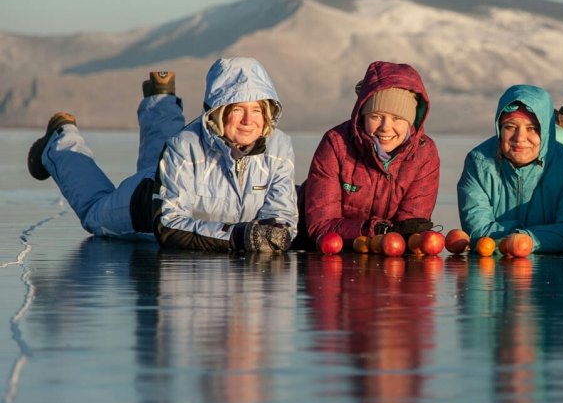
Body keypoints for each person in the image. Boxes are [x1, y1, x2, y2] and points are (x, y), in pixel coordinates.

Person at [27, 57, 297, 253]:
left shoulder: (280, 147)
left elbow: (282, 211)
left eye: (258, 110)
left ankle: (161, 98)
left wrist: (276, 230)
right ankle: (60, 143)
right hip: (145, 203)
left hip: (173, 167)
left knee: (167, 148)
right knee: (94, 212)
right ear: (218, 112)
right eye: (238, 109)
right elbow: (169, 223)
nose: (249, 120)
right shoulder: (185, 147)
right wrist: (239, 236)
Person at [295, 60, 440, 249]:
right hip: (321, 253)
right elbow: (321, 225)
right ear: (362, 115)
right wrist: (378, 230)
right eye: (376, 116)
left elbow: (409, 229)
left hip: (389, 256)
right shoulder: (336, 144)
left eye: (397, 118)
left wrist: (394, 233)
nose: (386, 127)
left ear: (411, 121)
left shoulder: (424, 154)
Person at [457, 84, 563, 253]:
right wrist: (534, 236)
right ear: (499, 128)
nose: (519, 138)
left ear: (545, 132)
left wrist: (525, 238)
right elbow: (477, 232)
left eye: (533, 128)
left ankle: (560, 129)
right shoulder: (479, 164)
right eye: (510, 127)